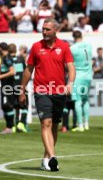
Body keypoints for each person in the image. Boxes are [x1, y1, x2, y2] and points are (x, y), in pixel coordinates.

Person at [19, 18, 75, 171]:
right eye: (43, 29)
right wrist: (22, 89)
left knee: (54, 126)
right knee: (46, 123)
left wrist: (70, 83)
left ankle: (45, 158)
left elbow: (71, 66)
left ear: (56, 30)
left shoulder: (64, 46)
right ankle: (52, 157)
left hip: (59, 92)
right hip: (41, 91)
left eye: (47, 29)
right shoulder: (36, 47)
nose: (44, 32)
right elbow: (28, 70)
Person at [70, 30, 93, 132]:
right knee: (86, 100)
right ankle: (86, 123)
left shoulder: (72, 48)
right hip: (89, 76)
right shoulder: (89, 46)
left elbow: (69, 63)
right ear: (81, 36)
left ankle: (80, 125)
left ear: (73, 37)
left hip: (78, 76)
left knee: (78, 101)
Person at [0, 43, 16, 134]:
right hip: (5, 85)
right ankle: (9, 126)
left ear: (0, 48)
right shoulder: (4, 58)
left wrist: (0, 76)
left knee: (8, 105)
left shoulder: (7, 58)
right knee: (5, 106)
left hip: (8, 86)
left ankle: (10, 127)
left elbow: (12, 72)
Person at [8, 43, 28, 132]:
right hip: (20, 86)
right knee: (24, 105)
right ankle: (21, 123)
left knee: (14, 106)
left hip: (11, 86)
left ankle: (13, 126)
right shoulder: (21, 59)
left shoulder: (7, 60)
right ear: (16, 50)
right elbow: (25, 72)